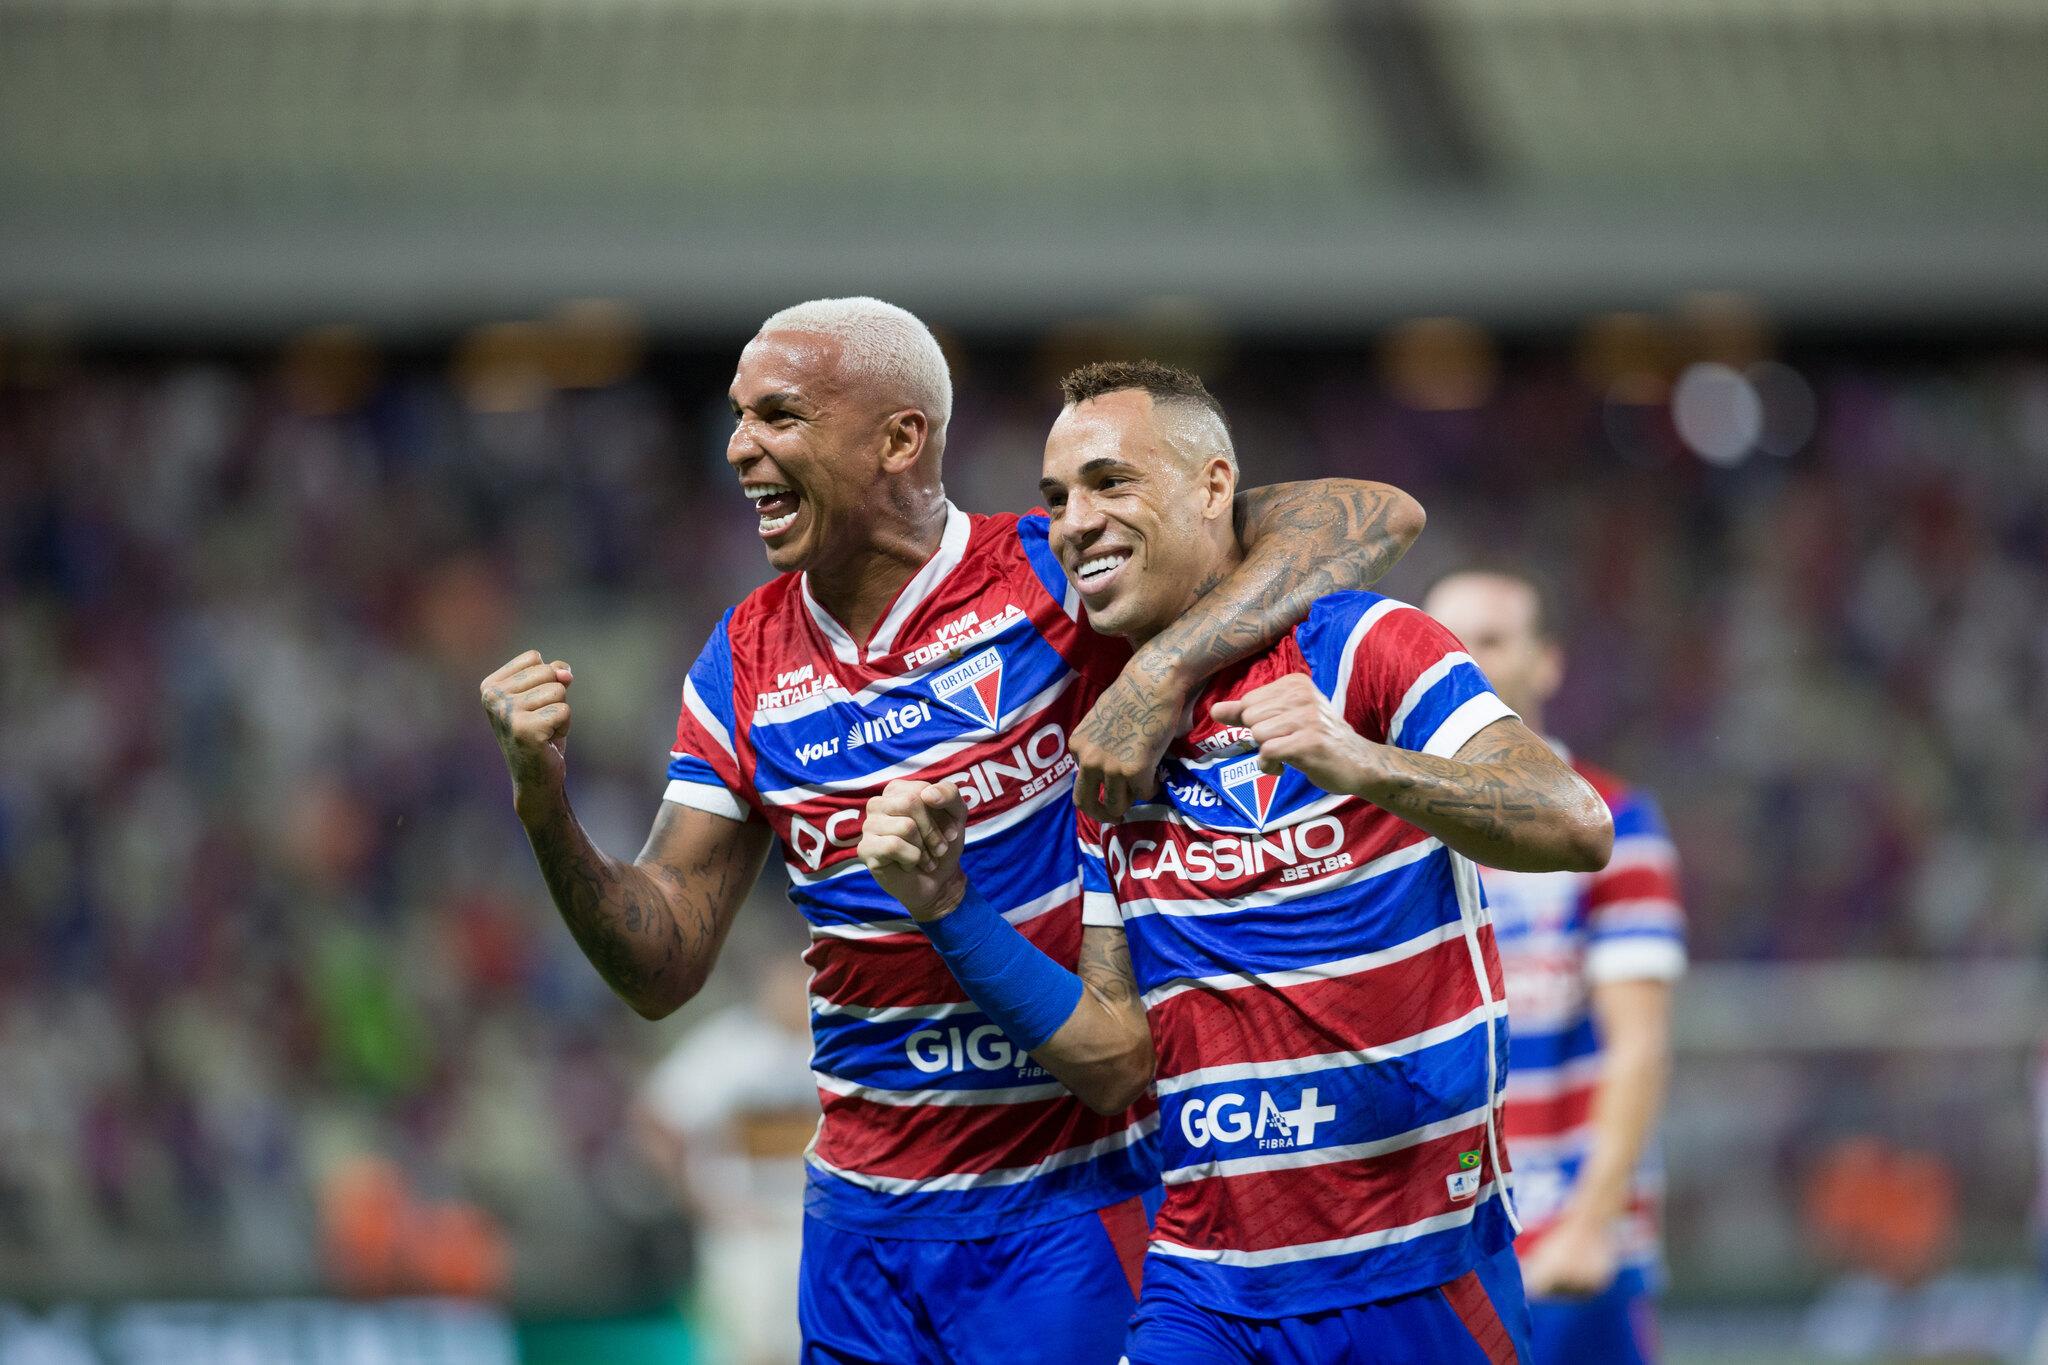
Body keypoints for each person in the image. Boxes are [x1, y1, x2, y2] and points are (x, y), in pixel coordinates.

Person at [479, 300, 1426, 1364]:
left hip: (1070, 1202)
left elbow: (1369, 514)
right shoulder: (742, 660)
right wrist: (541, 801)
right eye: (738, 417)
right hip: (860, 1230)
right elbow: (658, 966)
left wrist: (1156, 672)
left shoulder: (1053, 572)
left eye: (779, 416)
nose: (739, 446)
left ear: (898, 437)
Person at [858, 359, 1614, 1365]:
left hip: (1418, 1270)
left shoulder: (1364, 648)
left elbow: (1570, 823)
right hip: (1204, 1288)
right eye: (1054, 498)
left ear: (1213, 488)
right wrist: (949, 906)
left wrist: (1360, 763)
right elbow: (1115, 1059)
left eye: (1107, 482)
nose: (1071, 521)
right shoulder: (1104, 744)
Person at [1423, 569, 1687, 1365]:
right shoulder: (1389, 831)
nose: (1463, 658)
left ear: (1549, 663)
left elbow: (1637, 1042)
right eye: (1443, 641)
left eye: (1493, 638)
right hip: (1434, 1245)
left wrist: (1590, 1225)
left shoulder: (1610, 822)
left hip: (1566, 1249)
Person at [632, 951, 817, 1365]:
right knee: (746, 1351)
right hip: (745, 1230)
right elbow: (658, 1117)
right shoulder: (730, 1045)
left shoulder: (833, 1042)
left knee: (812, 1345)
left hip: (815, 1225)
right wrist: (694, 1197)